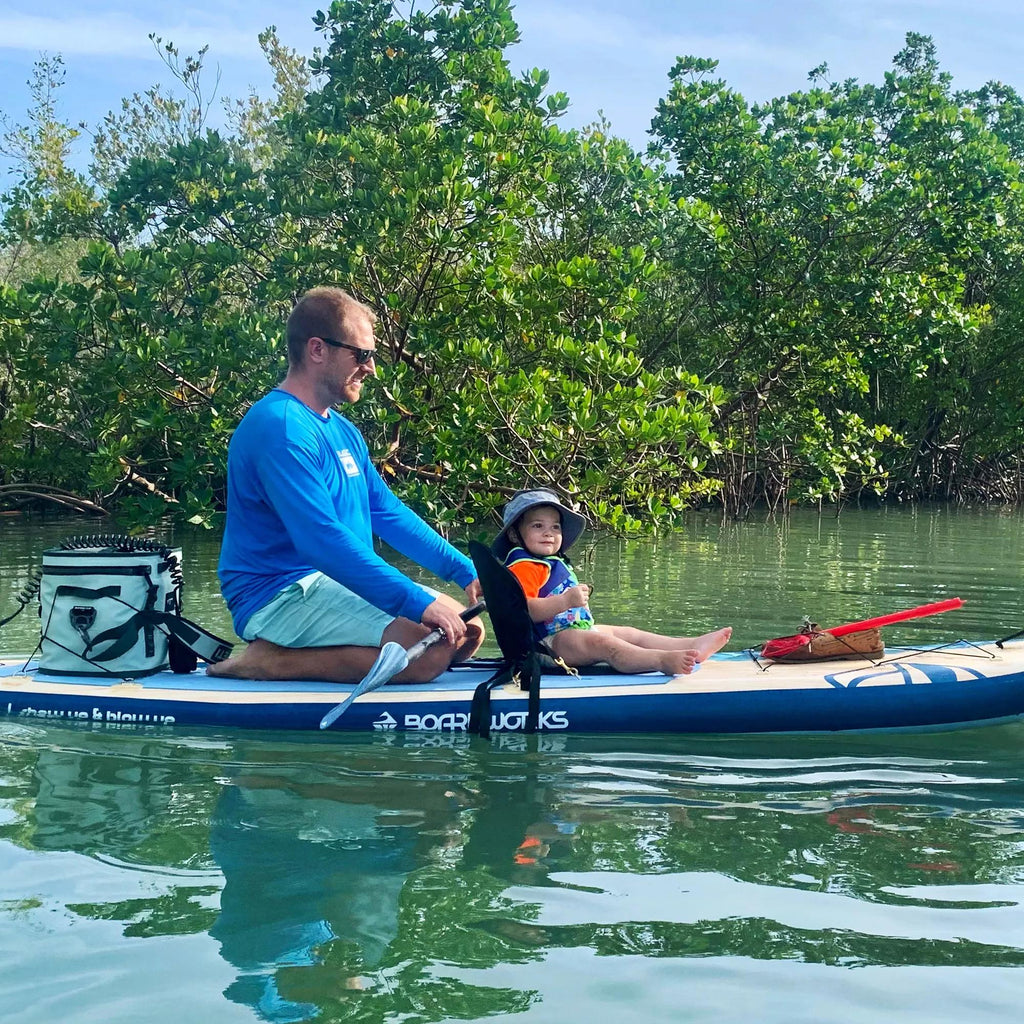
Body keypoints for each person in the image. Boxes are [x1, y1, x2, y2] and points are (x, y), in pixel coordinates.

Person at [210, 286, 483, 683]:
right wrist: (416, 601)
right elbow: (319, 541)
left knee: (468, 632)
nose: (371, 368)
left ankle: (317, 654)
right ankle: (269, 661)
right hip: (279, 594)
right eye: (363, 355)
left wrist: (467, 571)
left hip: (330, 582)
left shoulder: (343, 430)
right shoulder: (281, 428)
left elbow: (385, 512)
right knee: (431, 651)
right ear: (317, 349)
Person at [493, 489, 731, 675]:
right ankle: (661, 660)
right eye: (538, 526)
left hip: (567, 634)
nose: (549, 533)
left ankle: (691, 644)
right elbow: (522, 610)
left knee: (627, 633)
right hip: (547, 644)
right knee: (605, 643)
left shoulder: (546, 562)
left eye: (555, 527)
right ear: (515, 535)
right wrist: (565, 601)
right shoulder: (525, 565)